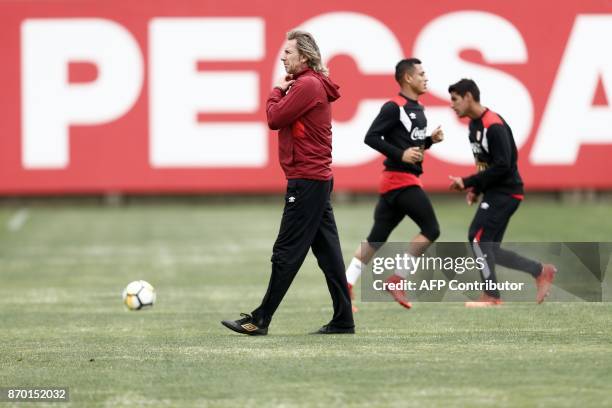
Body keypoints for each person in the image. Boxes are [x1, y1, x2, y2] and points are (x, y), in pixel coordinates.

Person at [221, 30, 354, 335]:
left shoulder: (306, 84)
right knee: (329, 254)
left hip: (306, 181)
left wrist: (276, 91)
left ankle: (261, 319)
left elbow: (274, 118)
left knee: (286, 252)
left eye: (289, 53)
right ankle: (344, 319)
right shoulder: (312, 83)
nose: (283, 57)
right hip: (316, 179)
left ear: (304, 57)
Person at [344, 58, 444, 311]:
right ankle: (397, 278)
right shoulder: (393, 107)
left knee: (376, 238)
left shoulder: (418, 108)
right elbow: (371, 137)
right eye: (421, 73)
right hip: (401, 180)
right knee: (431, 229)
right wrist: (400, 155)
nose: (426, 77)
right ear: (408, 78)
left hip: (395, 182)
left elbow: (412, 145)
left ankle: (345, 286)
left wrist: (430, 141)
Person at [447, 78, 556, 307]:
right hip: (496, 193)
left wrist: (467, 181)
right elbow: (484, 164)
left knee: (476, 238)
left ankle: (492, 296)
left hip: (506, 193)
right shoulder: (473, 126)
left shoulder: (493, 125)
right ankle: (540, 271)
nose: (452, 104)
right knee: (489, 248)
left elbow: (503, 165)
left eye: (455, 99)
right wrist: (476, 189)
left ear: (468, 97)